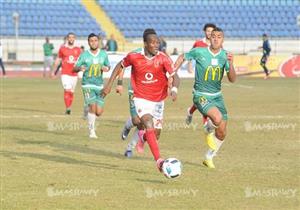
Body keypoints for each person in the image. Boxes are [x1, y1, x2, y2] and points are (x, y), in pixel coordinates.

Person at [102, 28, 180, 172]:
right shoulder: (134, 56)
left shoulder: (163, 58)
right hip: (140, 97)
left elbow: (175, 76)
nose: (156, 45)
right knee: (145, 121)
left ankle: (142, 136)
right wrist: (109, 85)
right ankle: (159, 161)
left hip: (158, 100)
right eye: (153, 43)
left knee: (155, 134)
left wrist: (174, 89)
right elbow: (120, 65)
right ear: (145, 43)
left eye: (158, 42)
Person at [174, 27, 236, 169]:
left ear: (223, 39)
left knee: (222, 133)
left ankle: (209, 157)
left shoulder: (225, 56)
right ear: (209, 38)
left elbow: (232, 79)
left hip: (217, 96)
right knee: (217, 118)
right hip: (200, 95)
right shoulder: (200, 51)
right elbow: (183, 56)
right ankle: (207, 130)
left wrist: (231, 63)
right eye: (213, 36)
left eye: (219, 36)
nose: (215, 39)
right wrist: (173, 72)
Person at [74, 33, 110, 138]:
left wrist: (106, 68)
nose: (93, 42)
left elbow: (108, 66)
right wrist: (80, 68)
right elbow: (75, 67)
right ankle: (92, 132)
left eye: (95, 40)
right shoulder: (84, 55)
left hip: (99, 85)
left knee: (98, 112)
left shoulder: (103, 54)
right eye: (91, 41)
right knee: (93, 107)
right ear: (88, 42)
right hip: (87, 84)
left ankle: (86, 108)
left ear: (98, 41)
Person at [186, 23, 216, 125]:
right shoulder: (198, 43)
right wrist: (189, 65)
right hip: (200, 78)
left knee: (201, 101)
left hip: (212, 78)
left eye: (212, 31)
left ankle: (190, 111)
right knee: (204, 101)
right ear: (204, 32)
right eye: (208, 31)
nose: (209, 33)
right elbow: (190, 55)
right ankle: (206, 124)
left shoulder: (217, 44)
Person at [52, 33, 81, 115]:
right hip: (65, 73)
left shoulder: (78, 49)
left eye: (72, 37)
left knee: (71, 92)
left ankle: (69, 107)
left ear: (74, 39)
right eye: (69, 37)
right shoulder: (62, 48)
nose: (71, 39)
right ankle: (67, 108)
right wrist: (54, 71)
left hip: (74, 74)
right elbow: (58, 59)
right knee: (67, 90)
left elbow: (81, 60)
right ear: (67, 39)